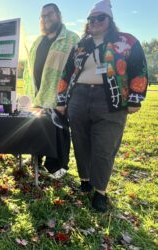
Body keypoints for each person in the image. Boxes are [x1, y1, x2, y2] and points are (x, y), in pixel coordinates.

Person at [56, 0, 148, 212]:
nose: (94, 22)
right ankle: (85, 180)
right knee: (80, 141)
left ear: (110, 20)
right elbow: (67, 72)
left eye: (100, 18)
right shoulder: (81, 44)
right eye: (91, 19)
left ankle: (100, 192)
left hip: (110, 101)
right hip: (79, 97)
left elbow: (139, 69)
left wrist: (135, 98)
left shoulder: (127, 42)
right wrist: (62, 100)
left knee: (104, 147)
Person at [24, 3, 79, 178]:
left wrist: (68, 97)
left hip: (59, 95)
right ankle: (35, 159)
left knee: (59, 131)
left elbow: (76, 70)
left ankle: (58, 166)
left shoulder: (72, 39)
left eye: (49, 15)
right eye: (43, 16)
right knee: (37, 128)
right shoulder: (39, 40)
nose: (46, 19)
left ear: (58, 15)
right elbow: (29, 67)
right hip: (38, 93)